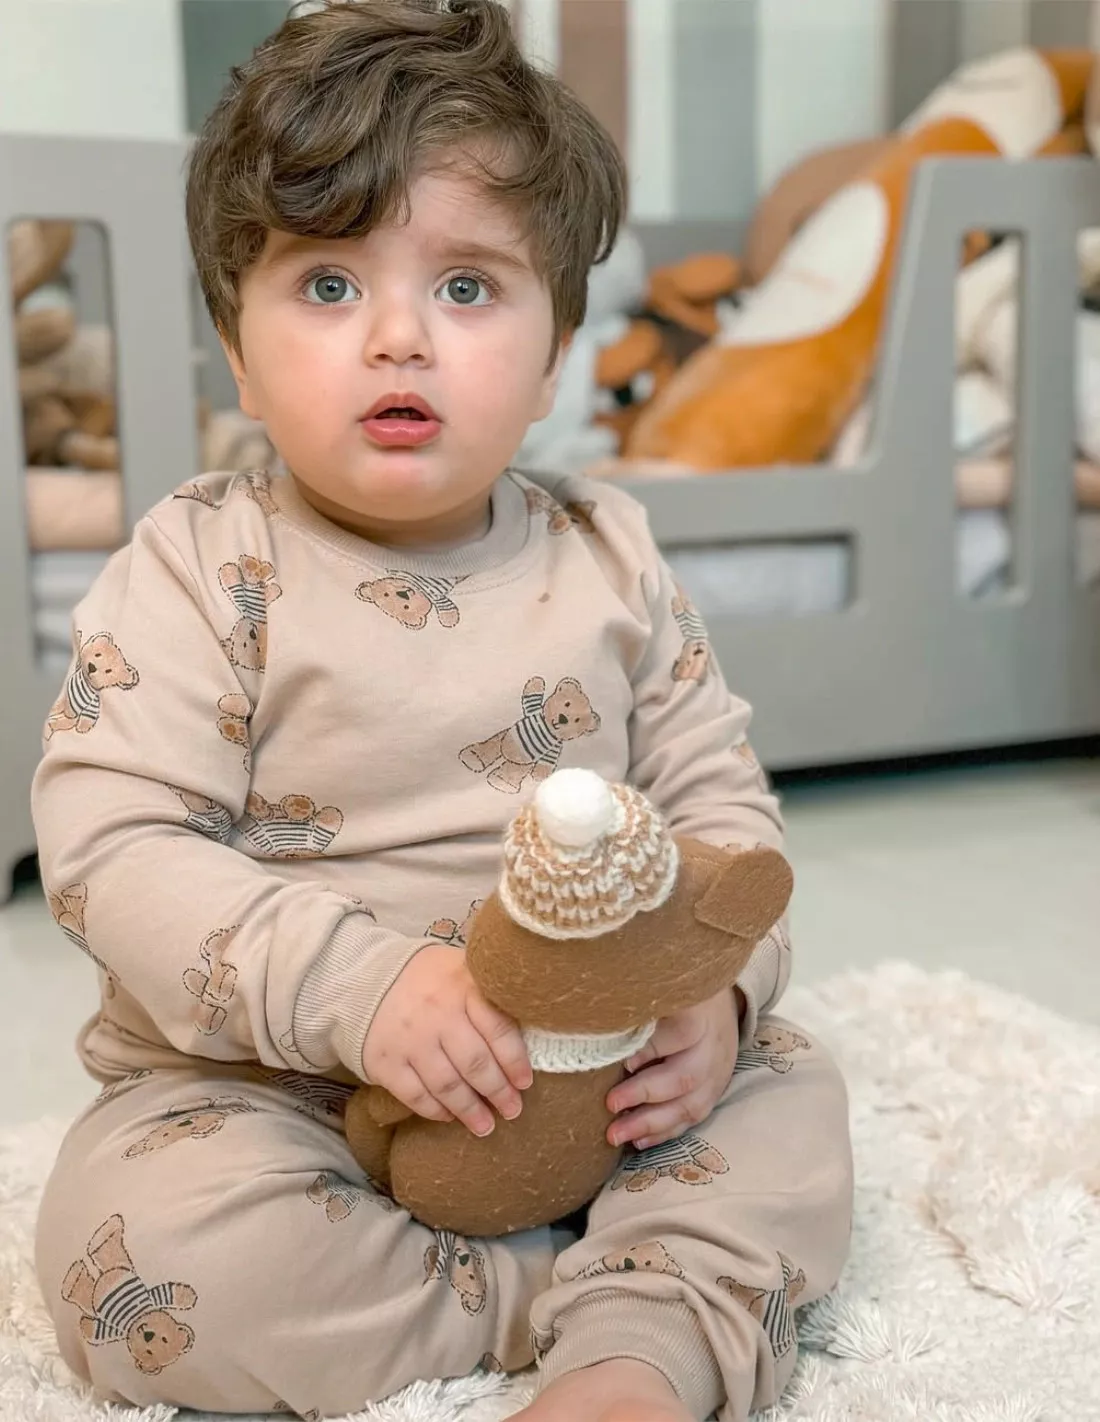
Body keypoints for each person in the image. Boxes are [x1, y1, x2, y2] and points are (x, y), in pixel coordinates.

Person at [31, 3, 853, 1418]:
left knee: (793, 1098)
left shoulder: (611, 557)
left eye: (468, 287)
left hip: (598, 1074)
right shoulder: (201, 564)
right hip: (278, 1091)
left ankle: (639, 1346)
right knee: (139, 1257)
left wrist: (713, 998)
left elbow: (723, 815)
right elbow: (116, 850)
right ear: (238, 350)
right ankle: (547, 1292)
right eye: (329, 284)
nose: (399, 336)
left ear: (554, 356)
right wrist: (356, 991)